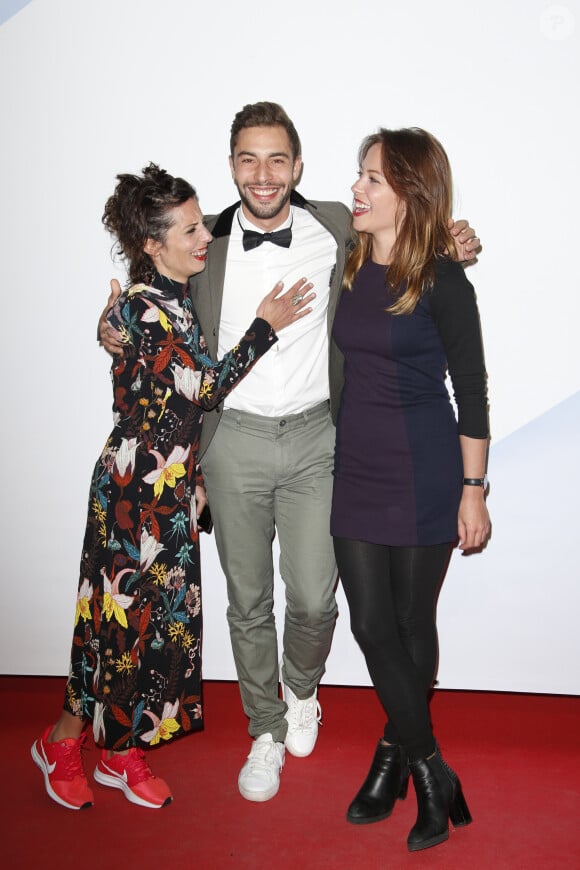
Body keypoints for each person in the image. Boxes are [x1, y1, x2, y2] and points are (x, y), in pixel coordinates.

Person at [100, 102, 480, 804]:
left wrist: (454, 239)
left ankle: (302, 691)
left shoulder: (338, 223)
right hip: (233, 441)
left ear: (298, 166)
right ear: (232, 165)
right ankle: (266, 729)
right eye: (248, 158)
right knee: (248, 601)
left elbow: (414, 236)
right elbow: (150, 295)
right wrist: (113, 324)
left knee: (313, 597)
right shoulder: (203, 241)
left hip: (318, 438)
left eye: (278, 159)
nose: (264, 174)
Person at [31, 163, 314, 812]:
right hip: (131, 495)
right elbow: (203, 388)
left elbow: (173, 405)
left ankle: (124, 750)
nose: (203, 237)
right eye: (190, 229)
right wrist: (266, 326)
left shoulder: (177, 298)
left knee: (162, 629)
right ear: (153, 245)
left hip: (173, 495)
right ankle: (63, 742)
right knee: (112, 626)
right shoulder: (140, 306)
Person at [330, 128, 490, 852]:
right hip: (357, 465)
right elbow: (253, 213)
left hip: (426, 467)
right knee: (369, 625)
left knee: (408, 618)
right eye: (359, 176)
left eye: (372, 180)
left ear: (410, 195)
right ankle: (431, 768)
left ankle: (394, 759)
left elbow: (474, 391)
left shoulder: (445, 279)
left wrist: (473, 489)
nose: (357, 190)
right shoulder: (352, 254)